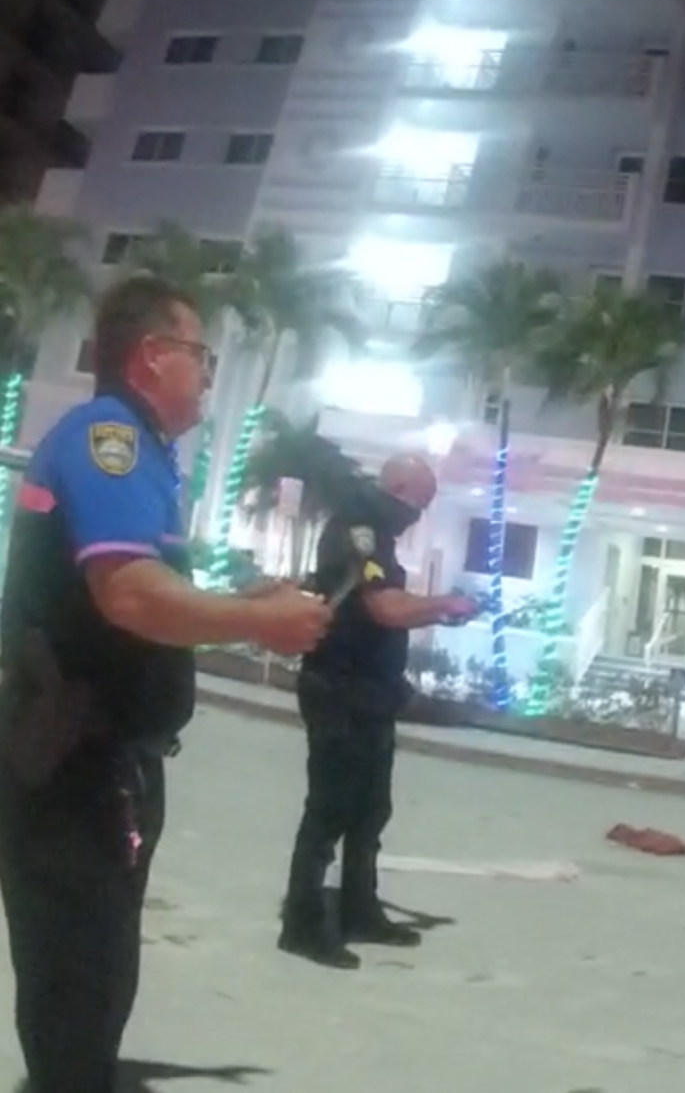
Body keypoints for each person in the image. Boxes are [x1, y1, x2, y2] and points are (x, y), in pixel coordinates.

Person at [0, 274, 332, 1093]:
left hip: (98, 763)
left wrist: (241, 602)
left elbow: (139, 588)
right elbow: (130, 595)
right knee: (79, 979)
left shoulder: (141, 453)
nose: (210, 374)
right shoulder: (107, 439)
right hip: (69, 764)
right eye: (201, 355)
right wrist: (260, 622)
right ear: (152, 356)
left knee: (95, 970)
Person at [279, 452, 476, 968]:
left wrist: (435, 610)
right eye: (419, 503)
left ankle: (359, 910)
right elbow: (384, 607)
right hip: (338, 688)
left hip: (370, 692)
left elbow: (386, 604)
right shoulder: (358, 529)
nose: (419, 515)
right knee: (329, 811)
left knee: (370, 810)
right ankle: (301, 924)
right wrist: (445, 604)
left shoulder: (377, 535)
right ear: (399, 488)